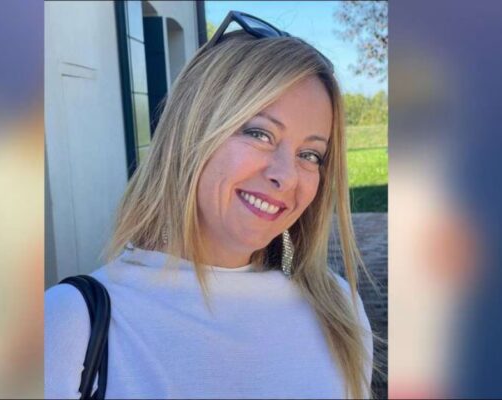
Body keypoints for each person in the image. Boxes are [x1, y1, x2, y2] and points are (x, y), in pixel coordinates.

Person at [45, 11, 373, 399]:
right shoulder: (71, 323)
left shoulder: (339, 310)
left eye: (310, 154)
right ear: (192, 132)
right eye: (260, 133)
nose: (286, 176)